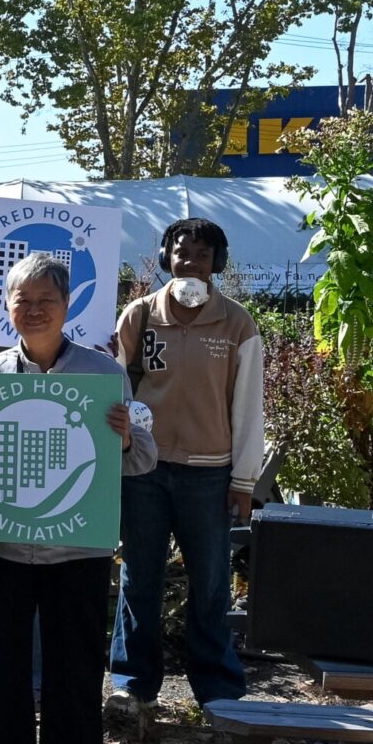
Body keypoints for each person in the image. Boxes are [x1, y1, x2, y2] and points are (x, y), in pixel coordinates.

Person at [0, 253, 156, 744]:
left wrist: (124, 437)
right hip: (3, 550)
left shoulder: (104, 373)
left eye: (47, 300)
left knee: (75, 671)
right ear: (6, 306)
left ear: (68, 307)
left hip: (77, 551)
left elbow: (141, 460)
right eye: (22, 299)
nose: (34, 309)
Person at [110, 218, 263, 710]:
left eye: (201, 254)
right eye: (181, 252)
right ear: (165, 257)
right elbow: (112, 383)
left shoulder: (237, 323)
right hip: (144, 472)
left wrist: (243, 481)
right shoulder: (139, 315)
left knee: (212, 581)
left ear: (217, 263)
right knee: (140, 577)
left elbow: (247, 406)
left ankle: (218, 690)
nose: (190, 261)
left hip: (209, 473)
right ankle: (132, 685)